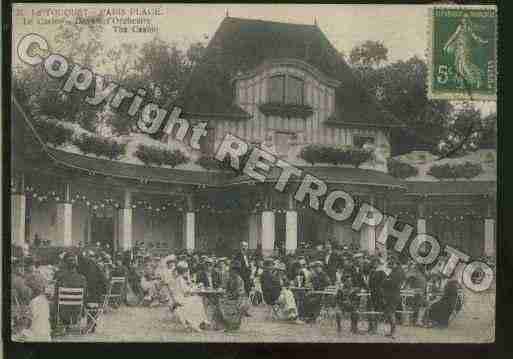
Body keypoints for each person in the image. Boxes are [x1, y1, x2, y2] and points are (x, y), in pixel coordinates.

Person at [173, 261, 210, 332]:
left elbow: (188, 289)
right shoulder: (180, 279)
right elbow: (186, 291)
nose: (187, 272)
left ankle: (201, 322)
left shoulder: (182, 279)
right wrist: (196, 287)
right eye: (186, 271)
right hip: (180, 299)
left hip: (183, 297)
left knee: (198, 300)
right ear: (183, 271)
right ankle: (197, 323)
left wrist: (194, 287)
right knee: (197, 301)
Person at [54, 254, 87, 329]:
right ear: (76, 266)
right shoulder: (82, 278)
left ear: (66, 265)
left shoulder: (61, 278)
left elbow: (56, 295)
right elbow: (84, 295)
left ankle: (58, 325)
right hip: (77, 309)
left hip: (63, 310)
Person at [217, 260, 246, 332]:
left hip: (238, 297)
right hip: (229, 296)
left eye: (235, 270)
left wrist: (233, 295)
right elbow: (224, 287)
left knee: (239, 305)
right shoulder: (228, 277)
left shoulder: (239, 279)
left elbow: (240, 291)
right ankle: (228, 325)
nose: (233, 272)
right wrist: (224, 290)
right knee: (221, 302)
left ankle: (234, 325)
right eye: (232, 270)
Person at [382, 256, 405, 338]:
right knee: (391, 313)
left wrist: (386, 280)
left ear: (393, 263)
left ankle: (393, 332)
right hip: (395, 294)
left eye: (390, 264)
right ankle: (392, 332)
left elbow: (390, 283)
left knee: (391, 313)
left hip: (392, 295)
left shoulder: (396, 272)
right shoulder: (400, 271)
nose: (389, 265)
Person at [367, 257, 387, 334]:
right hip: (372, 293)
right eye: (373, 263)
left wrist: (382, 293)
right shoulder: (371, 272)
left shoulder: (382, 272)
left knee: (377, 311)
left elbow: (384, 283)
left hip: (379, 294)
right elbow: (369, 283)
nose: (374, 264)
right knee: (371, 310)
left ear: (378, 264)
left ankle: (375, 328)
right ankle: (371, 327)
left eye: (376, 263)